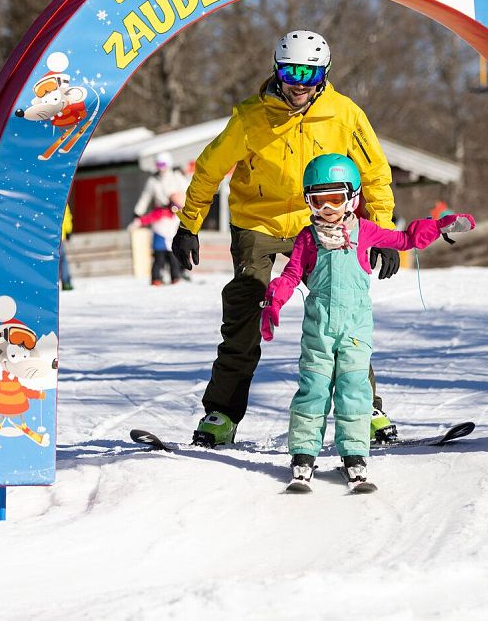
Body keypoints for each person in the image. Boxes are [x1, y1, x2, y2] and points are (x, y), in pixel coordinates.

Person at [172, 29, 402, 447]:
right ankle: (221, 414)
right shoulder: (249, 117)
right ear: (276, 71)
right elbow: (208, 171)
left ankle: (365, 407)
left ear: (324, 75)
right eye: (291, 72)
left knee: (342, 313)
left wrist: (382, 232)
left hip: (322, 221)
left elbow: (375, 174)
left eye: (310, 75)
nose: (299, 83)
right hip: (258, 225)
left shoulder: (344, 114)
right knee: (246, 311)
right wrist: (189, 225)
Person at [260, 154, 475, 489]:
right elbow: (290, 275)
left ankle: (354, 456)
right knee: (313, 390)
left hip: (356, 331)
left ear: (354, 197)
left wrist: (439, 225)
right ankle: (303, 455)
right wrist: (274, 301)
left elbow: (404, 240)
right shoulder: (307, 238)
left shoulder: (365, 231)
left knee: (354, 391)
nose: (327, 208)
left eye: (335, 199)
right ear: (308, 201)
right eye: (318, 201)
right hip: (318, 331)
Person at [133, 198, 183, 285]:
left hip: (171, 241)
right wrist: (139, 221)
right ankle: (156, 279)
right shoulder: (161, 212)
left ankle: (175, 278)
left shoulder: (178, 216)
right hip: (160, 240)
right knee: (159, 260)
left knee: (174, 260)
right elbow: (149, 218)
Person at [134, 151, 189, 219]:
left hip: (177, 213)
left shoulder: (177, 177)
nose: (160, 168)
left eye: (162, 164)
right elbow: (145, 197)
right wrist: (138, 212)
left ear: (169, 163)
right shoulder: (153, 180)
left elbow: (188, 192)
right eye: (158, 165)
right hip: (161, 214)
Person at [60, 205, 74, 290]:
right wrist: (68, 230)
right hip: (60, 236)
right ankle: (66, 282)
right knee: (63, 259)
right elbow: (66, 217)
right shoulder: (62, 200)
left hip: (48, 237)